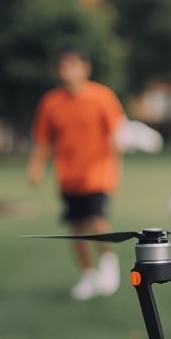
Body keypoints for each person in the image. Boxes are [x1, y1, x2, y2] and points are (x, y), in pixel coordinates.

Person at [27, 47, 126, 301]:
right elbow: (43, 140)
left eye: (72, 65)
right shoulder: (51, 103)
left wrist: (118, 154)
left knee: (96, 220)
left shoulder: (101, 96)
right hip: (69, 176)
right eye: (62, 67)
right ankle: (88, 275)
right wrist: (36, 167)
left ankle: (107, 260)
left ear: (85, 69)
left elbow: (117, 131)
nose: (66, 72)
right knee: (76, 229)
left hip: (98, 173)